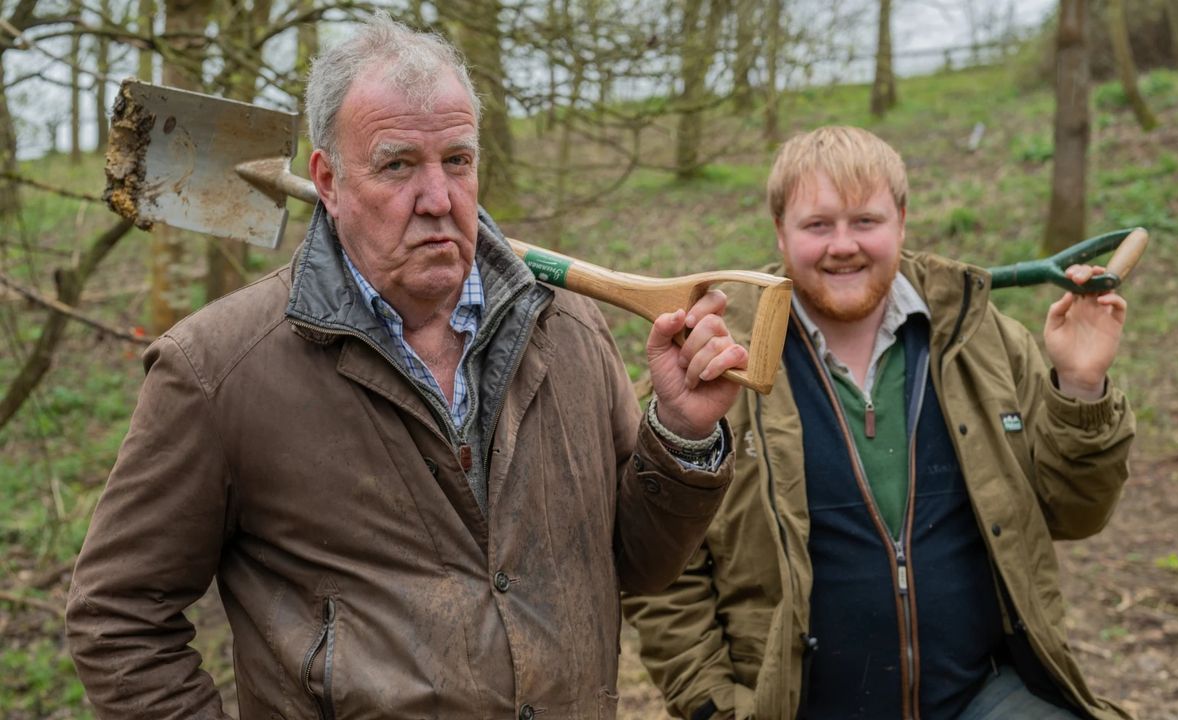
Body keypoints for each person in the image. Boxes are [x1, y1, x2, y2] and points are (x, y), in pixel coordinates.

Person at [66, 15, 748, 719]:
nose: (438, 198)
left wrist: (682, 434)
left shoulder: (567, 330)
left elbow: (638, 566)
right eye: (397, 165)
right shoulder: (218, 370)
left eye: (457, 161)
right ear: (326, 180)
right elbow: (118, 617)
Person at [622, 126, 1137, 720]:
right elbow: (662, 573)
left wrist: (1079, 385)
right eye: (818, 225)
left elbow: (1077, 514)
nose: (843, 245)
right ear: (780, 233)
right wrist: (715, 707)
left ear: (902, 220)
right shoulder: (713, 362)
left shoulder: (983, 339)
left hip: (986, 696)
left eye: (866, 221)